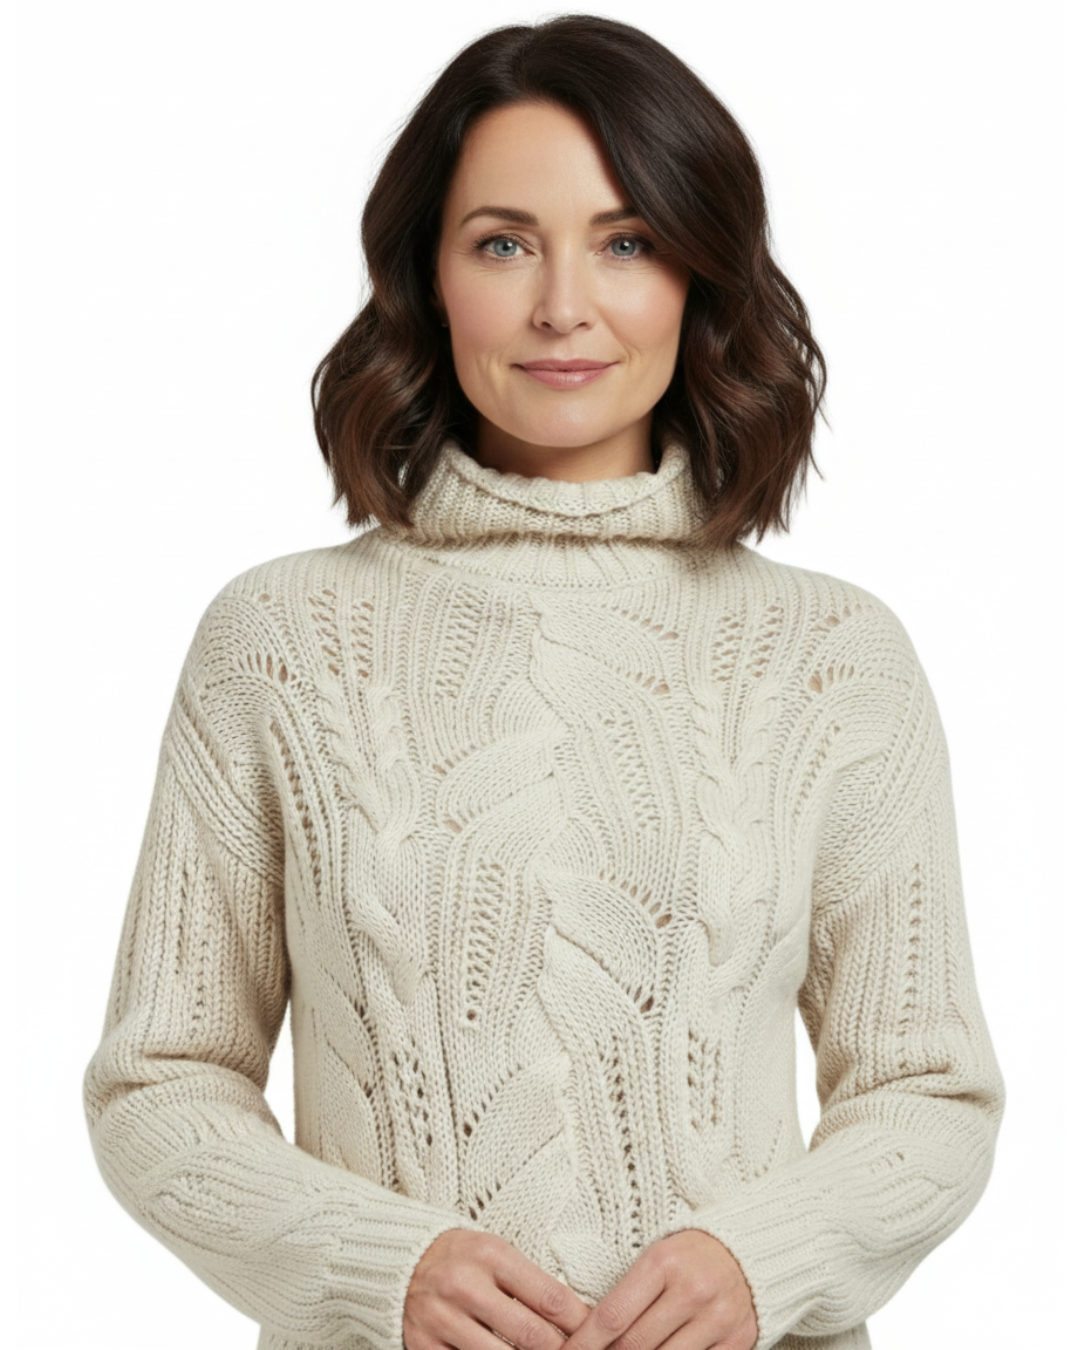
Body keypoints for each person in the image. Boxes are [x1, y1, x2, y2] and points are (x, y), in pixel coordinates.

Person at [82, 14, 1005, 1350]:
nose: (563, 304)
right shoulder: (280, 640)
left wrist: (764, 1260)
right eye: (504, 243)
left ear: (698, 275)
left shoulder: (830, 658)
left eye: (626, 242)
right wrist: (374, 1263)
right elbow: (159, 1082)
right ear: (429, 276)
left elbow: (929, 1089)